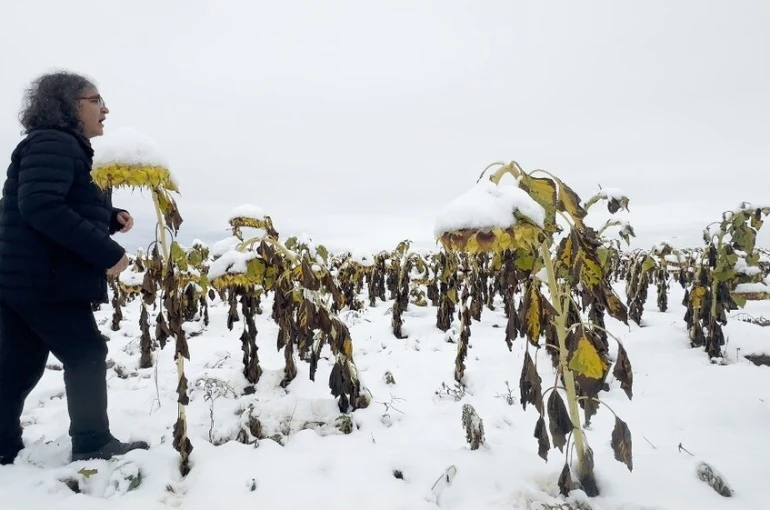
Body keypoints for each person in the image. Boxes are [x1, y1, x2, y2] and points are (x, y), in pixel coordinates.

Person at [0, 71, 149, 465]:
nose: (105, 109)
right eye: (95, 100)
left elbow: (56, 201)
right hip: (46, 279)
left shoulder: (59, 147)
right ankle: (92, 442)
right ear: (67, 105)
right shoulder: (54, 142)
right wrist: (107, 253)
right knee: (85, 352)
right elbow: (41, 207)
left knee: (18, 363)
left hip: (23, 278)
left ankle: (1, 443)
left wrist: (110, 215)